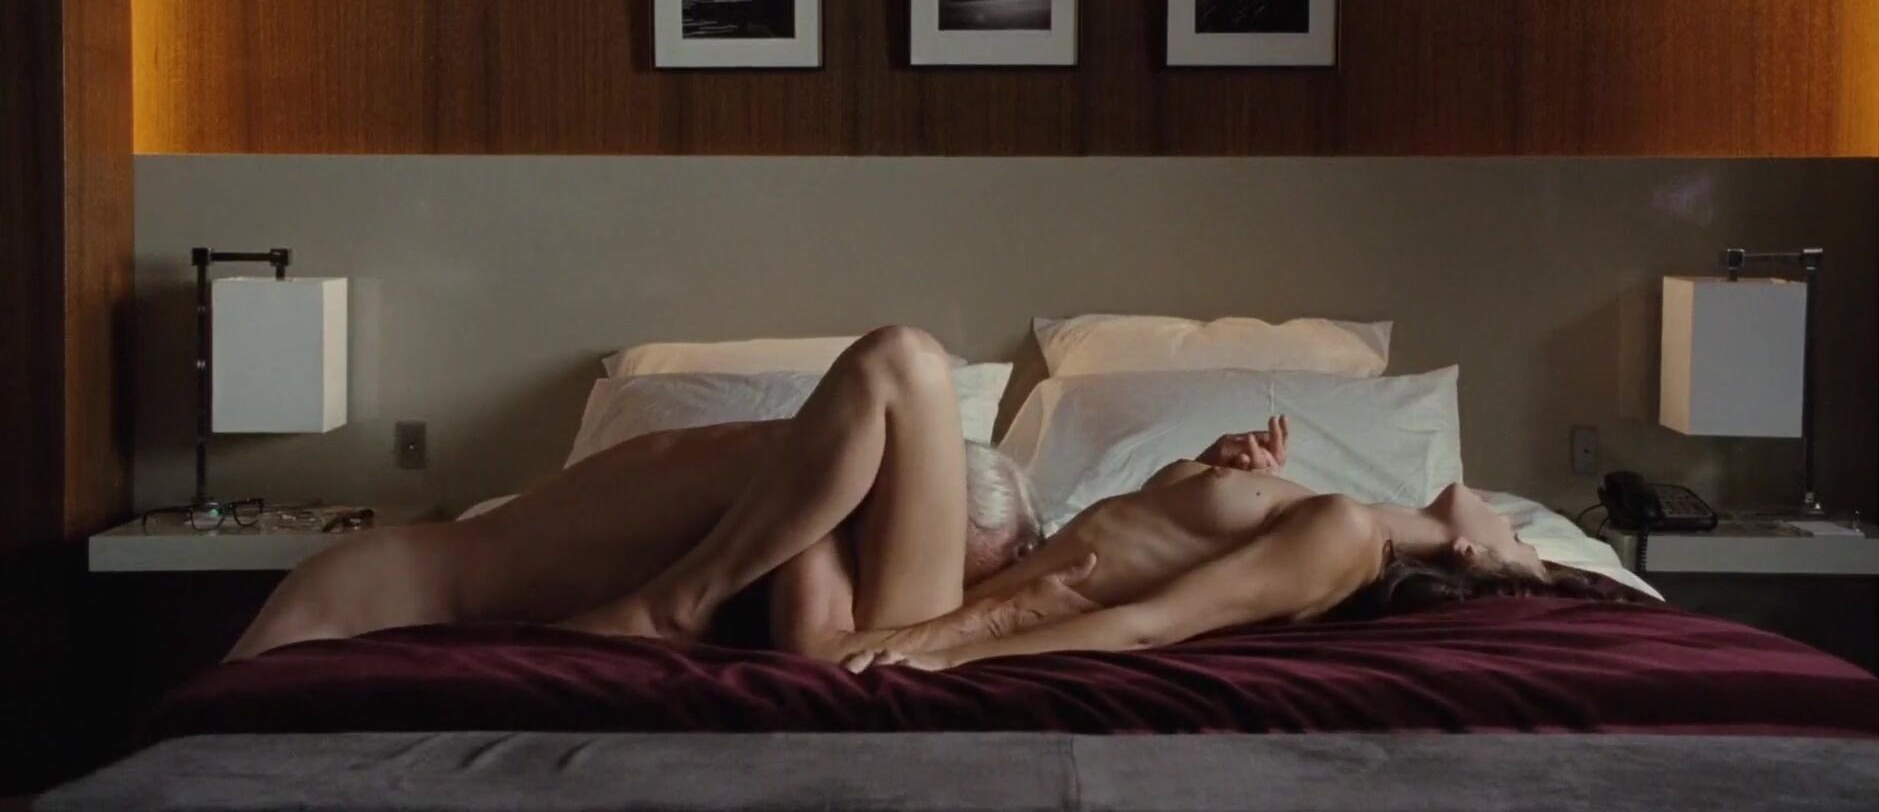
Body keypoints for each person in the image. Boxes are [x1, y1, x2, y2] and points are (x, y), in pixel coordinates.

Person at [226, 326, 1079, 663]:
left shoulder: (788, 500)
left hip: (392, 583)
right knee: (908, 357)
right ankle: (676, 603)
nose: (919, 564)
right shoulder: (809, 494)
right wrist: (993, 621)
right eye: (937, 546)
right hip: (377, 588)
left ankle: (675, 603)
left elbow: (825, 640)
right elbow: (826, 649)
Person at [845, 415, 1643, 673]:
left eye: (1516, 537)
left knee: (893, 394)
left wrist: (950, 655)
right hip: (995, 570)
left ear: (1471, 555)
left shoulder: (1346, 535)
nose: (1507, 518)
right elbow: (1148, 535)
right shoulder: (1335, 518)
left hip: (962, 597)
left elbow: (1149, 624)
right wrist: (1206, 468)